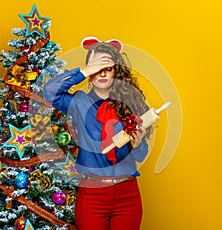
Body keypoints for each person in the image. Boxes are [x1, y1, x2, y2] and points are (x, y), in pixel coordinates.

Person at [43, 37, 151, 230]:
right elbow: (50, 91)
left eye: (107, 68)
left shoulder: (128, 103)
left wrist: (137, 143)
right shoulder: (78, 102)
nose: (101, 73)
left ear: (115, 72)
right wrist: (82, 72)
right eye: (96, 68)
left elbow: (141, 155)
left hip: (128, 193)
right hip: (92, 193)